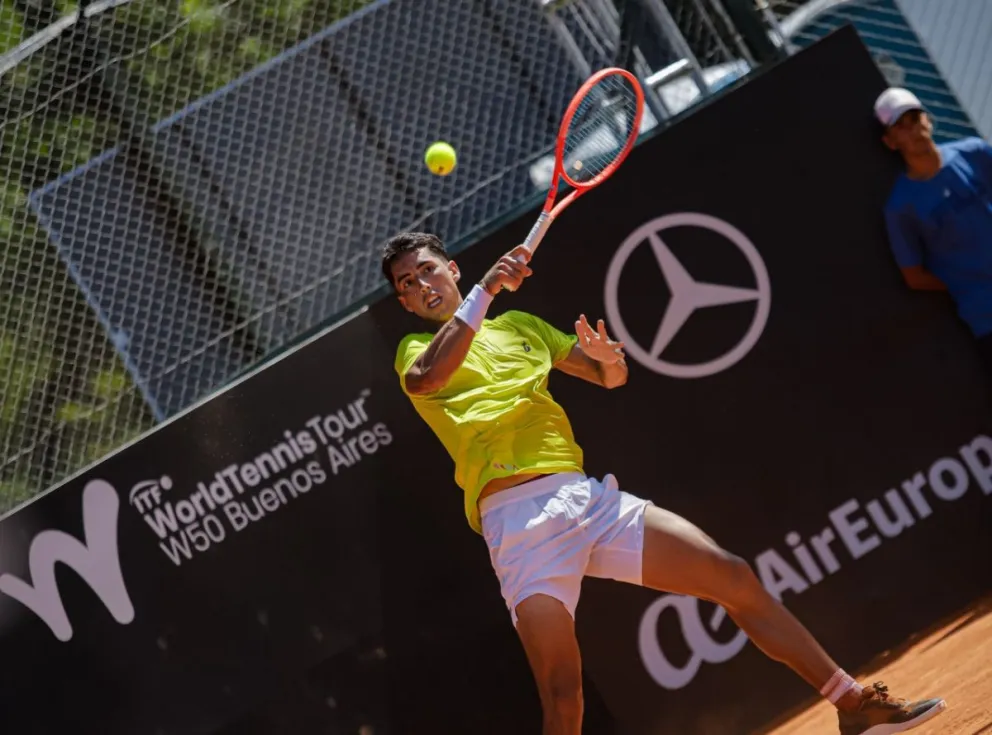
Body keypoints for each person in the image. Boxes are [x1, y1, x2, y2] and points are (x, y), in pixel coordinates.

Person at [381, 230, 946, 735]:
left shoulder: (523, 327)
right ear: (405, 301)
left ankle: (852, 702)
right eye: (408, 283)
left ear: (450, 268)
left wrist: (609, 359)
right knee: (564, 696)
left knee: (732, 576)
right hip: (520, 527)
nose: (422, 284)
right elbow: (430, 377)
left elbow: (608, 377)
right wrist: (485, 290)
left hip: (587, 499)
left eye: (428, 269)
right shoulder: (417, 353)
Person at [876, 86, 992, 374]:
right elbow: (914, 276)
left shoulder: (976, 152)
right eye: (900, 127)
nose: (912, 130)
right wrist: (966, 282)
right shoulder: (900, 208)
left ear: (927, 120)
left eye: (914, 119)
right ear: (890, 142)